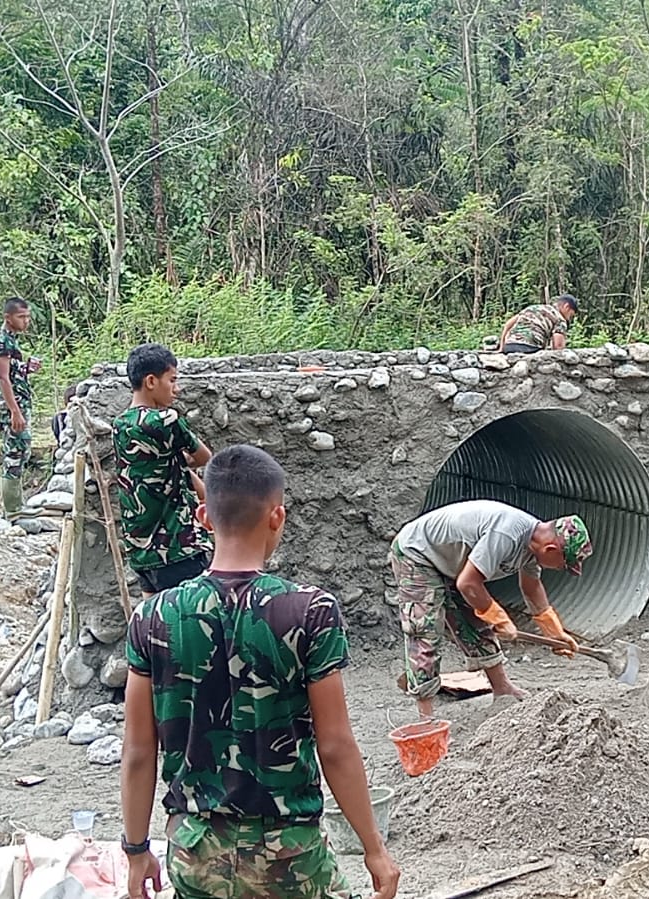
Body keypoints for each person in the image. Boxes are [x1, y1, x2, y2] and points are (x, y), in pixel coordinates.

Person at [121, 444, 400, 899]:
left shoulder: (153, 616)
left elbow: (137, 749)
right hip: (289, 857)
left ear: (204, 517)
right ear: (277, 517)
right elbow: (334, 745)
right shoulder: (310, 611)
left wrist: (136, 851)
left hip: (195, 853)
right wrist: (374, 848)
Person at [390, 500, 592, 718]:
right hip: (417, 554)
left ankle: (502, 688)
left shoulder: (533, 547)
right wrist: (500, 619)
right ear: (551, 549)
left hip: (450, 562)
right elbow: (468, 583)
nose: (561, 569)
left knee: (475, 618)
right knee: (425, 628)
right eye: (563, 564)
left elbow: (532, 587)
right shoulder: (507, 534)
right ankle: (426, 717)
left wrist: (555, 632)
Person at [113, 344, 214, 596]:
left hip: (141, 552)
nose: (176, 389)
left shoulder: (120, 425)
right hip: (177, 547)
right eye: (172, 380)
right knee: (193, 625)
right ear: (150, 381)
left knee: (153, 626)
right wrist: (183, 460)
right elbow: (204, 456)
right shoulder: (166, 419)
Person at [0, 298, 40, 516]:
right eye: (21, 317)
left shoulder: (11, 340)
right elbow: (2, 378)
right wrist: (15, 411)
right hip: (11, 405)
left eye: (28, 316)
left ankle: (17, 505)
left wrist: (27, 368)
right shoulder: (1, 341)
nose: (26, 321)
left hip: (19, 402)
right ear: (7, 317)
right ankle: (12, 509)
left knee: (22, 451)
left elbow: (11, 372)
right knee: (14, 452)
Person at [497, 294, 579, 353]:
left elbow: (508, 324)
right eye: (570, 315)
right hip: (530, 348)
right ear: (566, 307)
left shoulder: (533, 308)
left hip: (509, 346)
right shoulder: (560, 319)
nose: (569, 319)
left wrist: (502, 347)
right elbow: (558, 347)